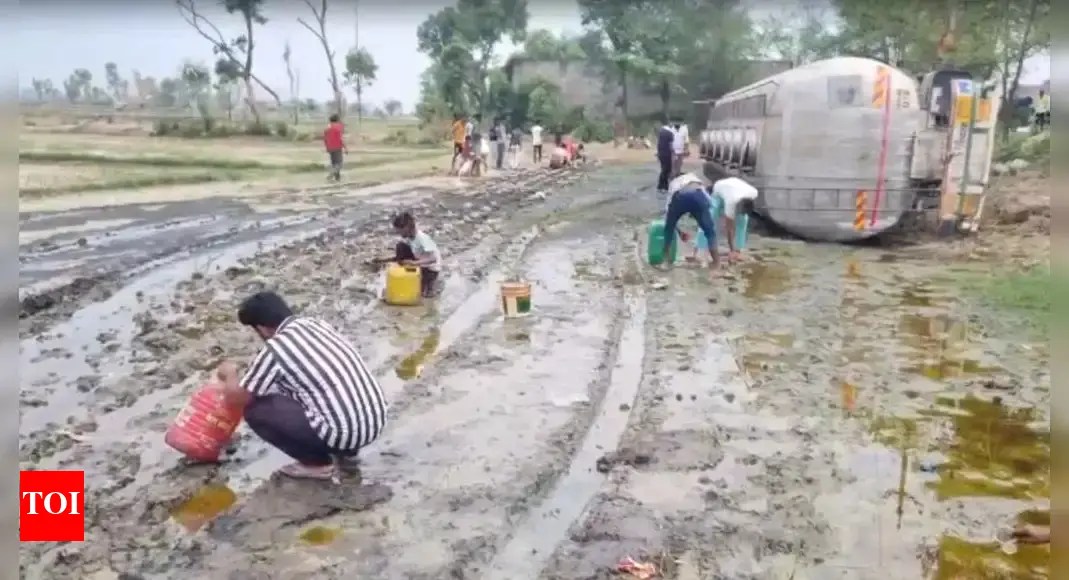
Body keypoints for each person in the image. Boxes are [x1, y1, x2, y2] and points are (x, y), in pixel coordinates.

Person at [214, 291, 388, 480]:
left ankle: (317, 464)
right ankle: (347, 452)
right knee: (311, 388)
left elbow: (236, 399)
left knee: (255, 409)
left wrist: (230, 373)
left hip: (345, 433)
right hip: (375, 421)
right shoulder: (315, 324)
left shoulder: (276, 348)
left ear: (262, 329)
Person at [688, 175, 757, 264]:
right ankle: (700, 250)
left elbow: (741, 217)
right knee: (710, 218)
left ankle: (738, 250)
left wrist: (734, 250)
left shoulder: (754, 193)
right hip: (720, 189)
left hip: (735, 186)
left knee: (743, 219)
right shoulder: (731, 201)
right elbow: (729, 228)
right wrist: (731, 249)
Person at [658, 173, 719, 271]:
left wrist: (678, 231)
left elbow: (668, 209)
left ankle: (665, 262)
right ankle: (716, 264)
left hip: (680, 196)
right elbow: (708, 201)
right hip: (698, 195)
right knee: (710, 232)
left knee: (668, 230)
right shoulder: (695, 178)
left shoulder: (674, 183)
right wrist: (704, 219)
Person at [391, 211, 443, 298]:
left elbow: (434, 259)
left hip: (431, 269)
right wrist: (382, 260)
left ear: (407, 228)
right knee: (400, 246)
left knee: (421, 295)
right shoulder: (410, 238)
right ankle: (403, 273)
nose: (398, 233)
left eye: (400, 231)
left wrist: (413, 263)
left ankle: (431, 286)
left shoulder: (423, 238)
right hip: (420, 262)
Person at [323, 114, 348, 182]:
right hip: (337, 147)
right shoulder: (338, 127)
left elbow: (325, 139)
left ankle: (338, 179)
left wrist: (327, 147)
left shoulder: (327, 128)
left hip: (330, 148)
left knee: (334, 163)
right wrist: (345, 148)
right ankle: (331, 174)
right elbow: (341, 139)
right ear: (337, 120)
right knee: (339, 164)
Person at [656, 120, 676, 192]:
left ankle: (662, 186)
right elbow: (671, 145)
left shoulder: (661, 132)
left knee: (663, 169)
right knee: (666, 170)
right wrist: (674, 152)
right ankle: (663, 186)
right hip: (667, 154)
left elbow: (658, 143)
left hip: (661, 153)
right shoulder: (670, 133)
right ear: (670, 124)